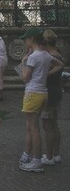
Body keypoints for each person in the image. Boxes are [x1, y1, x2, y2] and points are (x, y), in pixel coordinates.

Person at [18, 28, 63, 173]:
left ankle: (36, 160)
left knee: (33, 128)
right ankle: (33, 156)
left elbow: (25, 77)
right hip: (44, 93)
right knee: (36, 126)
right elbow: (60, 65)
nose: (25, 41)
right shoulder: (46, 55)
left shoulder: (33, 57)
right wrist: (46, 75)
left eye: (26, 39)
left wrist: (24, 62)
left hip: (33, 93)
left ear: (32, 39)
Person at [40, 30, 63, 166]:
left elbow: (43, 74)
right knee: (54, 124)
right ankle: (56, 153)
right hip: (56, 93)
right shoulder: (58, 55)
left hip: (49, 94)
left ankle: (49, 156)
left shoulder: (51, 57)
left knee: (47, 125)